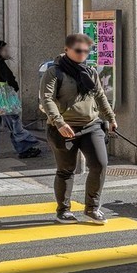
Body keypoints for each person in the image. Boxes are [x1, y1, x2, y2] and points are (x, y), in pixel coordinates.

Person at [39, 33, 116, 224]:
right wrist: (59, 122)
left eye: (86, 51)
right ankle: (63, 210)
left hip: (91, 126)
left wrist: (110, 118)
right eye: (78, 50)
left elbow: (100, 95)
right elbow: (47, 99)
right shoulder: (54, 72)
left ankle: (92, 208)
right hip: (63, 128)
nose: (83, 54)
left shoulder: (90, 71)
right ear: (67, 50)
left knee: (100, 164)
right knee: (66, 170)